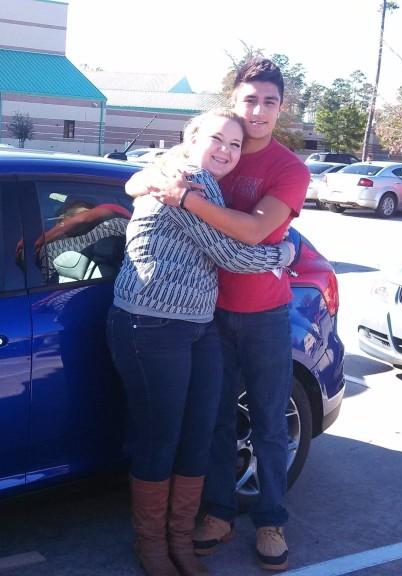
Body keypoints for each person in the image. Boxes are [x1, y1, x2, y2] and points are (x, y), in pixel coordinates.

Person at [126, 57, 311, 572]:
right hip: (205, 315)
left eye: (269, 102)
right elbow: (138, 179)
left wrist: (183, 197)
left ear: (280, 108)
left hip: (264, 315)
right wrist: (148, 181)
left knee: (271, 423)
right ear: (234, 102)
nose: (257, 111)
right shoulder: (207, 151)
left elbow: (253, 233)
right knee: (214, 422)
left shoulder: (288, 170)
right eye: (249, 100)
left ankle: (271, 520)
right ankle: (219, 512)